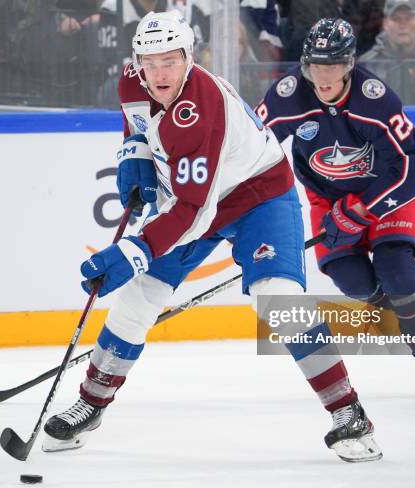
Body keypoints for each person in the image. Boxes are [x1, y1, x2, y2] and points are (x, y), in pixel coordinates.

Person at [42, 10, 382, 463]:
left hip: (257, 196)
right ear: (136, 60)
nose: (159, 72)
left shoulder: (201, 110)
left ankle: (349, 411)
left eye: (171, 60)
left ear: (189, 57)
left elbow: (193, 211)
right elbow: (137, 122)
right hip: (194, 197)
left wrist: (134, 251)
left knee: (278, 300)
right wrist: (134, 154)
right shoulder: (132, 79)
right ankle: (92, 400)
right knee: (139, 299)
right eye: (150, 61)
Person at [255, 18, 415, 400]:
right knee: (354, 283)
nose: (322, 77)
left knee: (397, 271)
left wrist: (360, 211)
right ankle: (405, 310)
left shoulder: (376, 99)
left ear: (350, 63)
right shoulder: (288, 95)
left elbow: (413, 171)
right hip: (327, 199)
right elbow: (252, 148)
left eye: (332, 66)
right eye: (314, 66)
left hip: (384, 195)